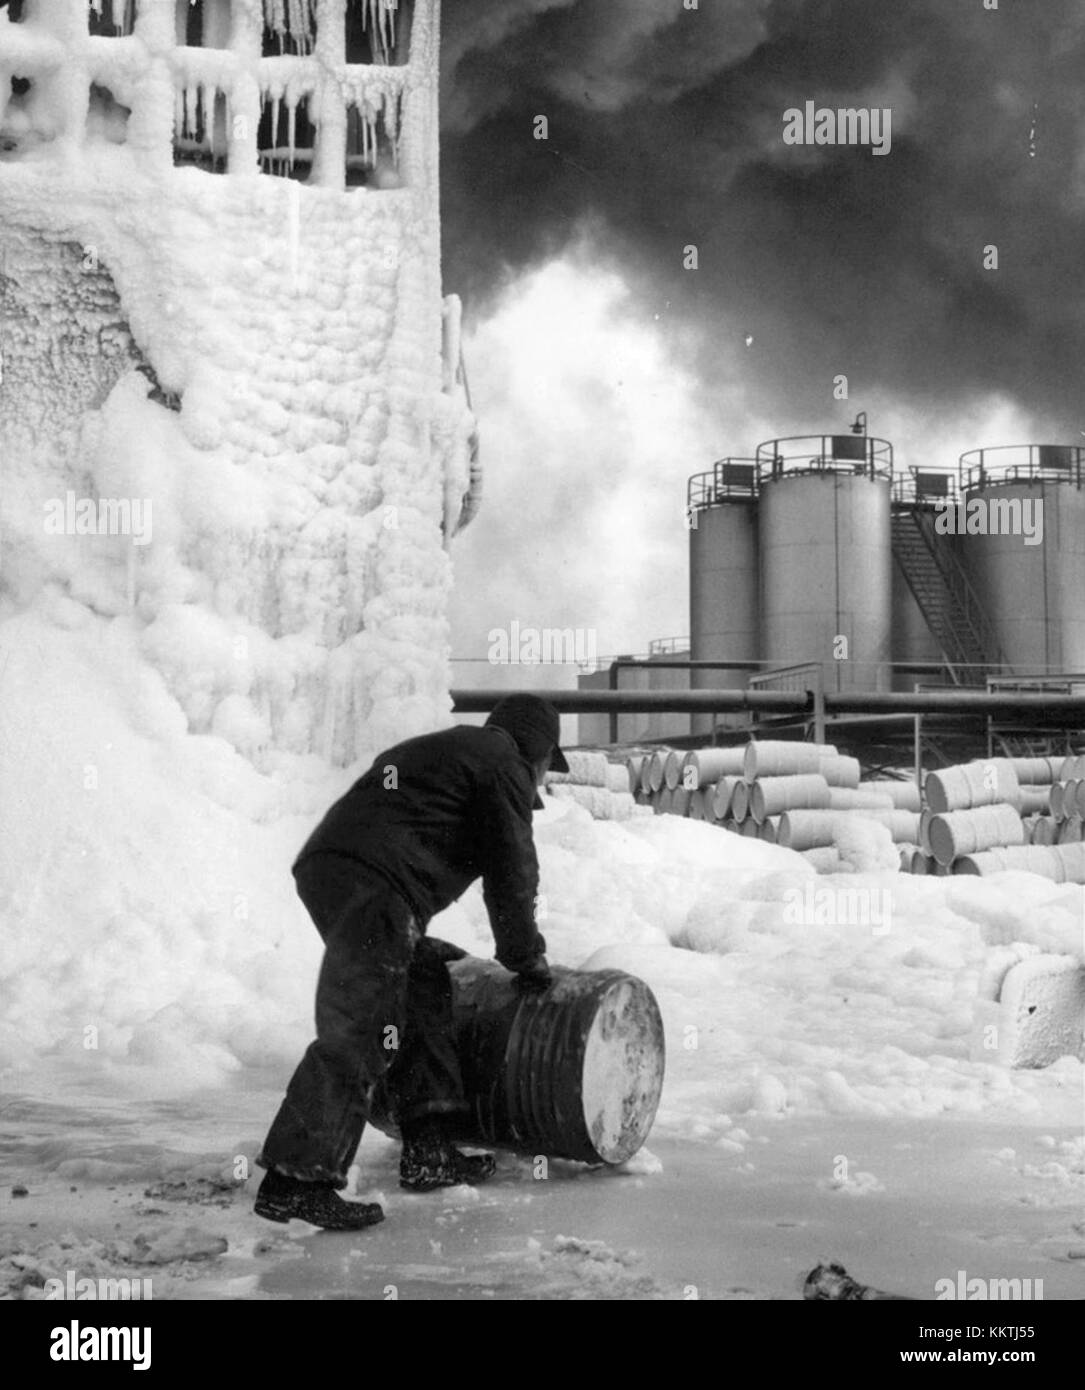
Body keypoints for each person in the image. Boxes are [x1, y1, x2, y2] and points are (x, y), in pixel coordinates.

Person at [253, 694, 568, 1230]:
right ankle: (295, 1181)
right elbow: (513, 870)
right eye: (544, 769)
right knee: (363, 1024)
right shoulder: (502, 764)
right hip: (375, 885)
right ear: (536, 751)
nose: (540, 781)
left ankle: (430, 1149)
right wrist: (524, 957)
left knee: (422, 981)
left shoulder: (455, 751)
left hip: (334, 870)